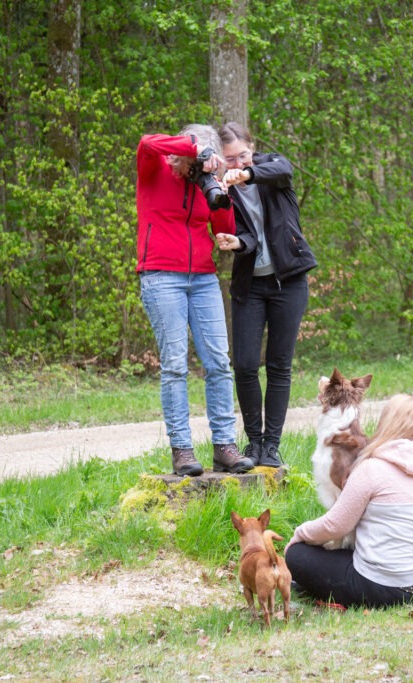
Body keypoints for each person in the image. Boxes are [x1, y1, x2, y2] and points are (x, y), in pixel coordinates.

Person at [135, 124, 255, 477]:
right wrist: (191, 148)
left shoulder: (204, 182)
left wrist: (216, 185)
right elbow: (146, 142)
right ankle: (182, 450)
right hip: (160, 275)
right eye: (194, 159)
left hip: (202, 277)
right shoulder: (155, 169)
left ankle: (224, 446)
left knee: (218, 361)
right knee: (174, 364)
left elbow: (222, 224)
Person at [214, 122, 318, 468]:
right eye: (229, 159)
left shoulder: (272, 170)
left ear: (252, 148)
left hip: (288, 281)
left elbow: (282, 168)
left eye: (242, 155)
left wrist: (248, 173)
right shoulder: (222, 189)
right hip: (250, 285)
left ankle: (271, 446)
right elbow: (247, 236)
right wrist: (237, 242)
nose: (236, 163)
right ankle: (254, 442)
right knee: (244, 364)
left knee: (278, 366)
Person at [284, 394, 413, 609]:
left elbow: (335, 525)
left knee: (297, 555)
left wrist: (300, 534)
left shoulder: (372, 468)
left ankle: (318, 587)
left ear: (388, 423)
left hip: (383, 588)